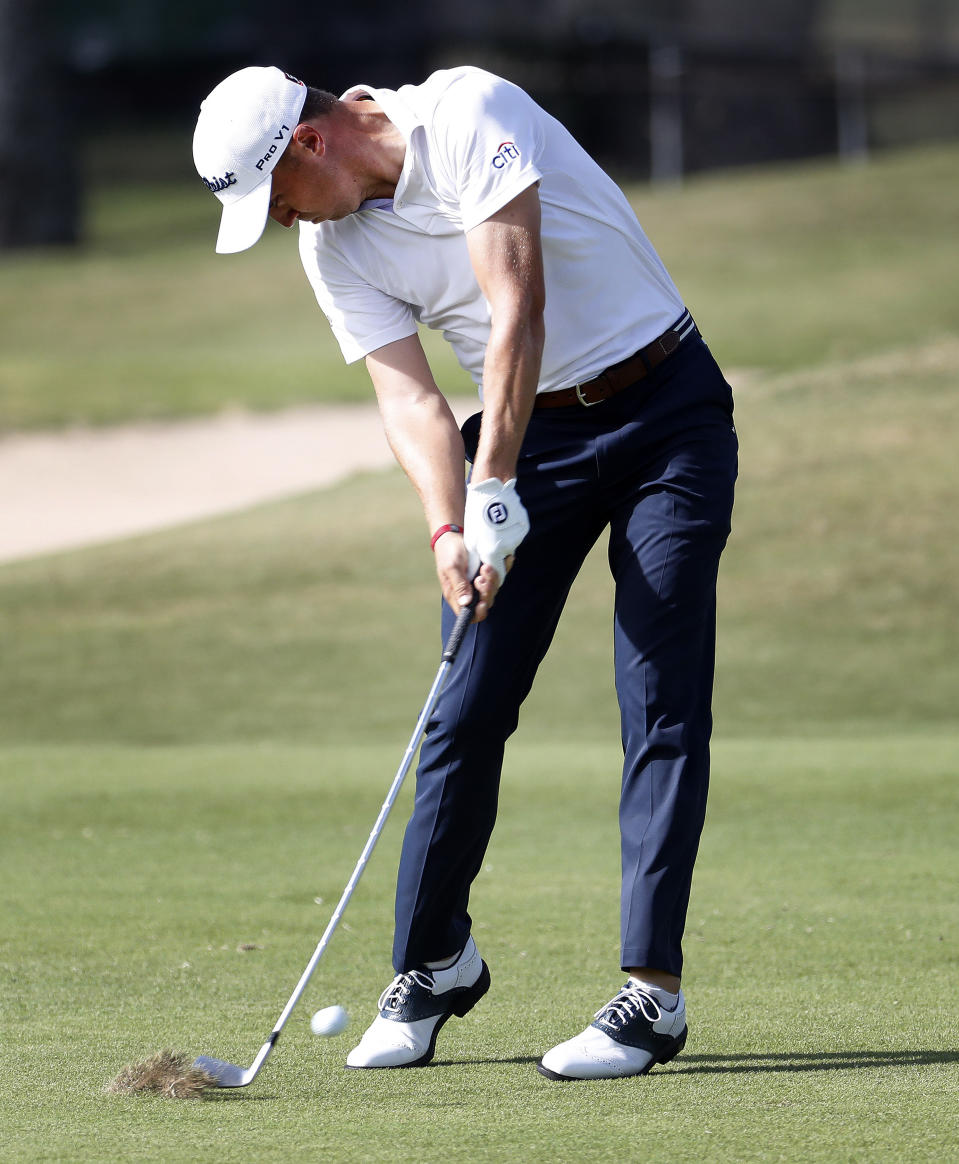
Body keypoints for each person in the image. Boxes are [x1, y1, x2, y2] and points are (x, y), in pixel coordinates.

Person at [193, 63, 737, 1080]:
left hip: (667, 414)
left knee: (660, 691)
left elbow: (515, 300)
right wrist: (451, 528)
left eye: (273, 201)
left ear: (310, 143)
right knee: (465, 701)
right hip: (531, 442)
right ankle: (434, 961)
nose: (280, 224)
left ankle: (650, 999)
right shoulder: (333, 246)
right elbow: (409, 403)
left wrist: (492, 486)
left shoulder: (466, 112)